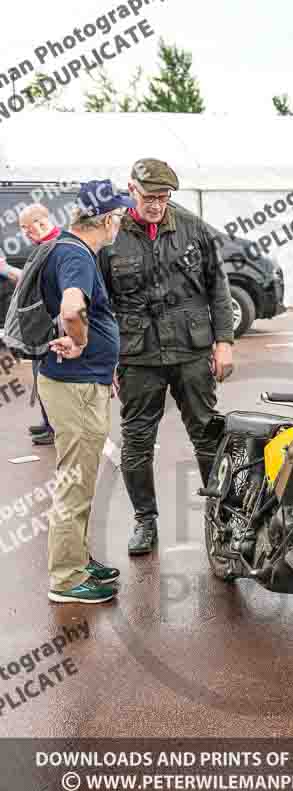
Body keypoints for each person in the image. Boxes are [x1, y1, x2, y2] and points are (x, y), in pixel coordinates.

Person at [98, 159, 234, 556]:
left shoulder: (194, 228)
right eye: (149, 197)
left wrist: (224, 342)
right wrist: (108, 359)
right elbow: (100, 303)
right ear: (131, 190)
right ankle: (145, 520)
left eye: (164, 196)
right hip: (138, 354)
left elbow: (218, 287)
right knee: (137, 440)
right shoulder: (112, 234)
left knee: (207, 433)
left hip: (191, 350)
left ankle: (221, 517)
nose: (157, 204)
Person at [37, 180, 135, 604]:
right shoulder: (76, 255)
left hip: (80, 380)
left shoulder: (66, 247)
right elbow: (72, 308)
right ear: (107, 220)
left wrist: (101, 362)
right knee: (75, 482)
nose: (121, 224)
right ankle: (66, 578)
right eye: (120, 217)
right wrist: (79, 344)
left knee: (79, 478)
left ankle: (76, 558)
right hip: (74, 386)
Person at [18, 204, 62, 445]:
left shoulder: (56, 247)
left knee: (49, 379)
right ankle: (49, 423)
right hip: (41, 325)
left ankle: (55, 427)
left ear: (42, 221)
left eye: (27, 227)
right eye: (23, 228)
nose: (25, 232)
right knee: (42, 377)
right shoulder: (44, 246)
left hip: (51, 327)